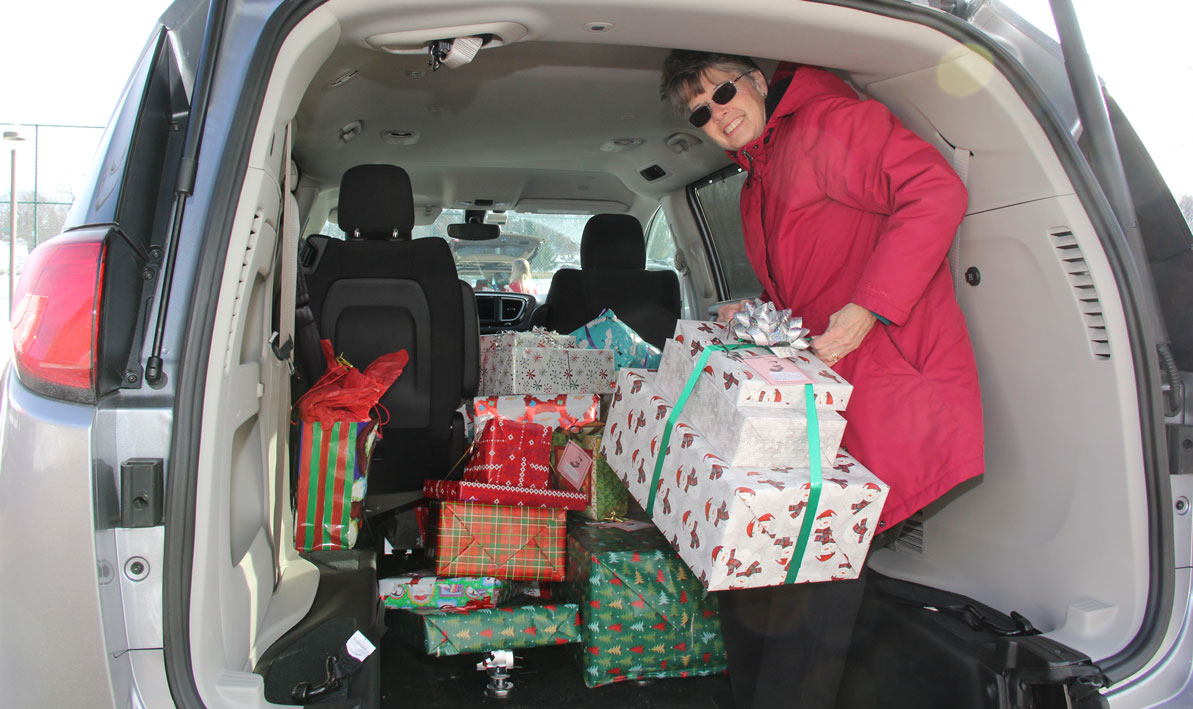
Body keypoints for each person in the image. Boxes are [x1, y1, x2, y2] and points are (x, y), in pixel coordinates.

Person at [660, 51, 984, 707]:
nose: (716, 114)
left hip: (887, 384)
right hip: (827, 400)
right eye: (699, 111)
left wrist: (869, 306)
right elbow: (810, 286)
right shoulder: (759, 176)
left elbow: (936, 189)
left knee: (814, 576)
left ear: (755, 79)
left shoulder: (829, 124)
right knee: (770, 564)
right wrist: (754, 312)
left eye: (721, 92)